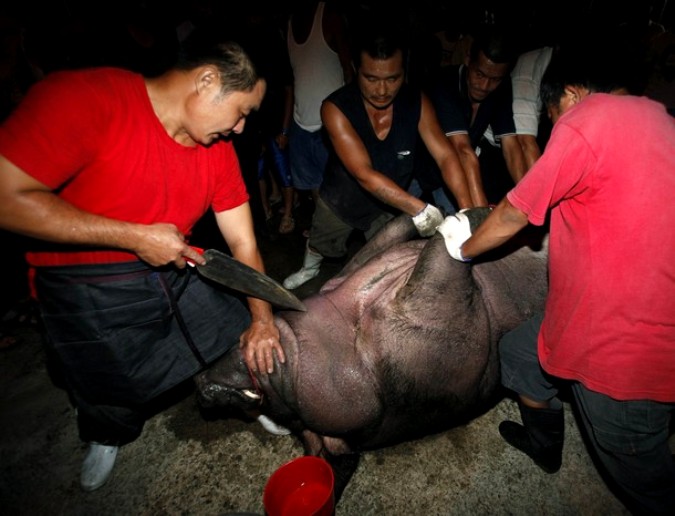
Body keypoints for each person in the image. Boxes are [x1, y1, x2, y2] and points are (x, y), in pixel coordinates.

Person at [0, 33, 289, 493]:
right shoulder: (87, 98)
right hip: (82, 279)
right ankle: (105, 432)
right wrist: (132, 236)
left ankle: (249, 402)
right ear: (207, 80)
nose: (239, 129)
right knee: (104, 375)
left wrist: (262, 319)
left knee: (229, 326)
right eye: (242, 113)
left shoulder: (218, 151)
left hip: (173, 263)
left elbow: (243, 242)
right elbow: (6, 198)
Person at [438, 53, 675, 514]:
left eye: (551, 117)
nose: (555, 126)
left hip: (622, 355)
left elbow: (514, 211)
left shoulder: (588, 117)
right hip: (618, 313)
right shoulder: (660, 121)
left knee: (647, 485)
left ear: (568, 95)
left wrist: (461, 250)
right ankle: (544, 446)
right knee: (521, 353)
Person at [282, 24, 478, 290]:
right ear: (354, 68)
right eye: (371, 78)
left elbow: (446, 156)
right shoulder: (334, 107)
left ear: (403, 72)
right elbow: (363, 173)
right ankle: (309, 267)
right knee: (322, 242)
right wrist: (421, 209)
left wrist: (467, 212)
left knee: (383, 262)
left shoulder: (417, 102)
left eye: (392, 78)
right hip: (342, 198)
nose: (382, 90)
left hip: (391, 201)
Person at [418, 23, 527, 207]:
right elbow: (463, 150)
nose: (484, 86)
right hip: (418, 172)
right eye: (479, 74)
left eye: (494, 79)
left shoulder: (502, 86)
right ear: (468, 59)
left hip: (457, 174)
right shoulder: (444, 83)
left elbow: (511, 146)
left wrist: (529, 199)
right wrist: (480, 215)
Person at [286, 0, 353, 215]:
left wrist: (352, 115)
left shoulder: (328, 14)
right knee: (313, 185)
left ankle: (340, 236)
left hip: (330, 123)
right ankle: (322, 230)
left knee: (341, 186)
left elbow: (348, 67)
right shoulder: (289, 22)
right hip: (300, 121)